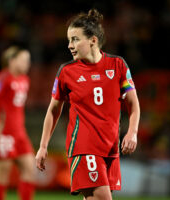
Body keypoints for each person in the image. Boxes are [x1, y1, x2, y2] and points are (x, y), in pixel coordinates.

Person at [35, 9, 140, 200]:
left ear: (93, 40)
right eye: (69, 40)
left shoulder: (118, 65)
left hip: (110, 148)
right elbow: (53, 110)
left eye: (75, 39)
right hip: (83, 147)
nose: (69, 45)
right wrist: (43, 146)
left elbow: (133, 103)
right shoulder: (67, 71)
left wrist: (132, 132)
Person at [0, 46, 35, 200]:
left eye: (28, 60)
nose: (28, 64)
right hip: (3, 133)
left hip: (19, 132)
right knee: (2, 176)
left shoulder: (25, 79)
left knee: (30, 169)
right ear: (12, 61)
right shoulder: (2, 78)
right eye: (24, 60)